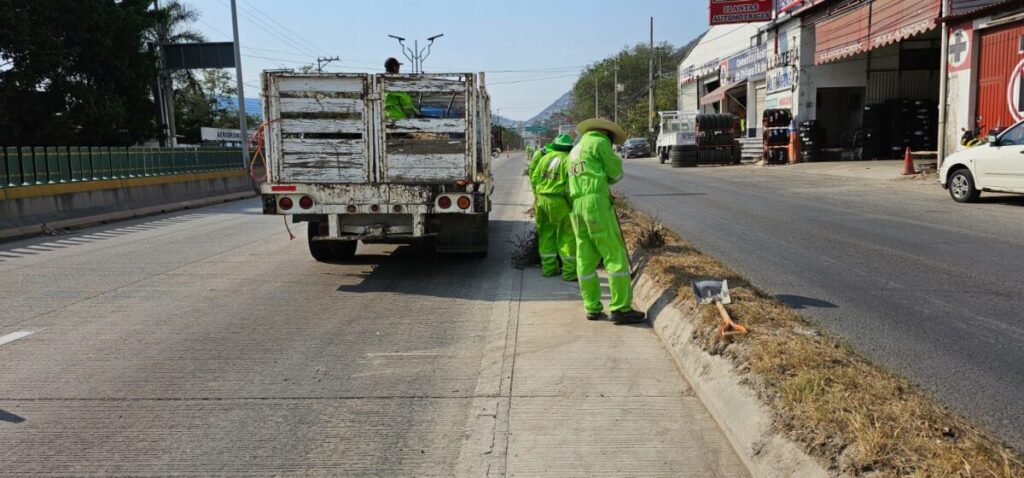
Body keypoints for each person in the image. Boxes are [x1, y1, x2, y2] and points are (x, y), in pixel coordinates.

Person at [566, 118, 645, 324]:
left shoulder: (575, 150)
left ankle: (591, 306)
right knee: (614, 253)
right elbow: (615, 174)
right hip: (596, 204)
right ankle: (620, 308)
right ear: (607, 135)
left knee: (585, 257)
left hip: (577, 205)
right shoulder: (600, 142)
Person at [528, 134, 576, 281]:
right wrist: (572, 205)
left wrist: (537, 196)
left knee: (546, 233)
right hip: (558, 201)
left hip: (541, 199)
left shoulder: (545, 158)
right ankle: (569, 272)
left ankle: (549, 269)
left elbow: (534, 178)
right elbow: (569, 187)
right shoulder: (568, 160)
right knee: (566, 234)